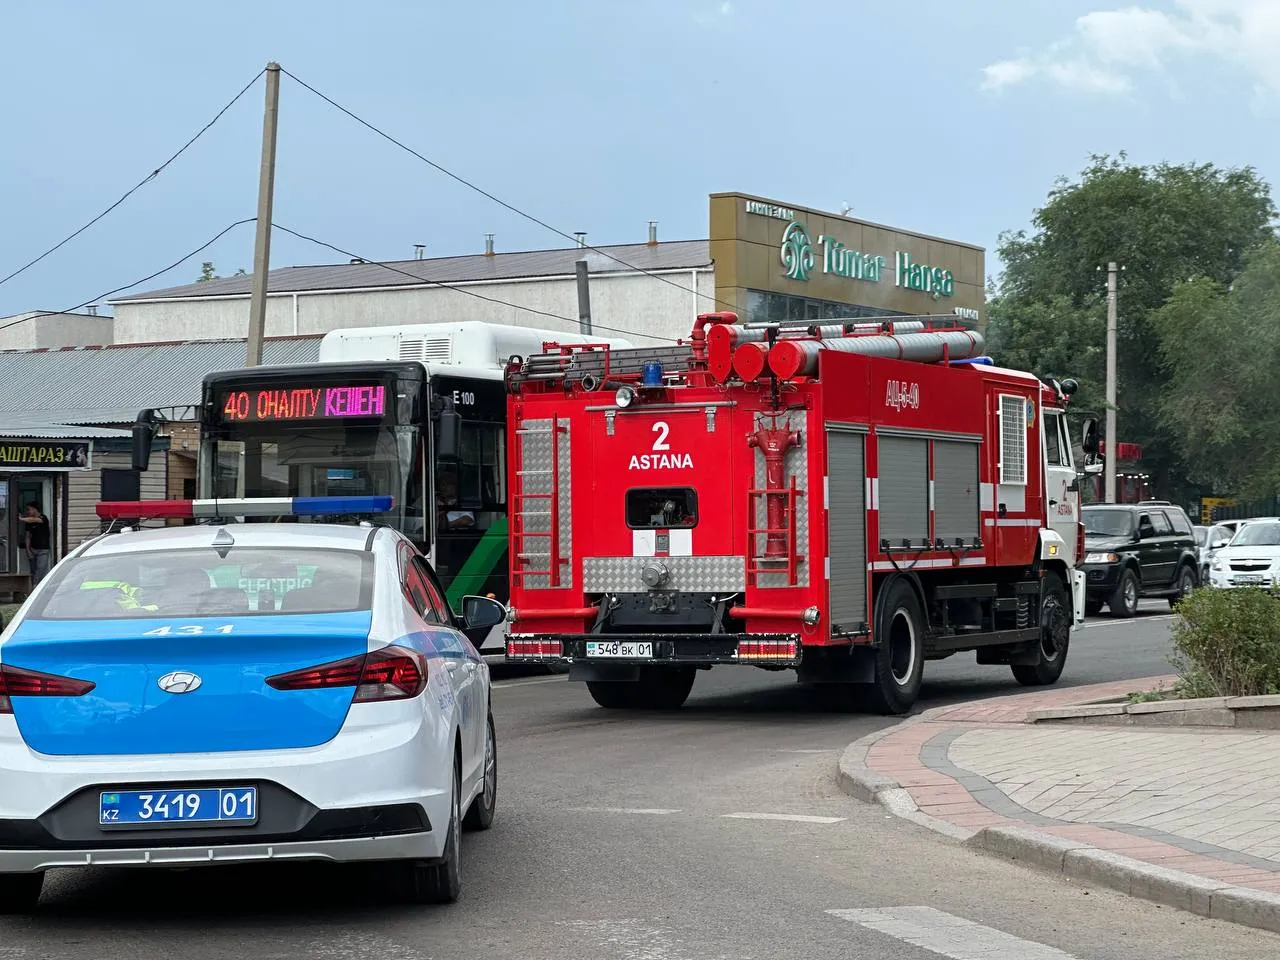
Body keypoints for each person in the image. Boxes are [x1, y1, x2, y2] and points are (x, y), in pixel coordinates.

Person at [19, 500, 51, 586]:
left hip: (43, 550)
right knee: (33, 571)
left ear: (34, 509)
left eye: (28, 509)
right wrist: (28, 550)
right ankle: (34, 587)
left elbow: (35, 520)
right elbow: (28, 536)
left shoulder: (43, 518)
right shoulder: (28, 523)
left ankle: (35, 586)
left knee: (40, 569)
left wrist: (21, 519)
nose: (27, 512)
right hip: (33, 550)